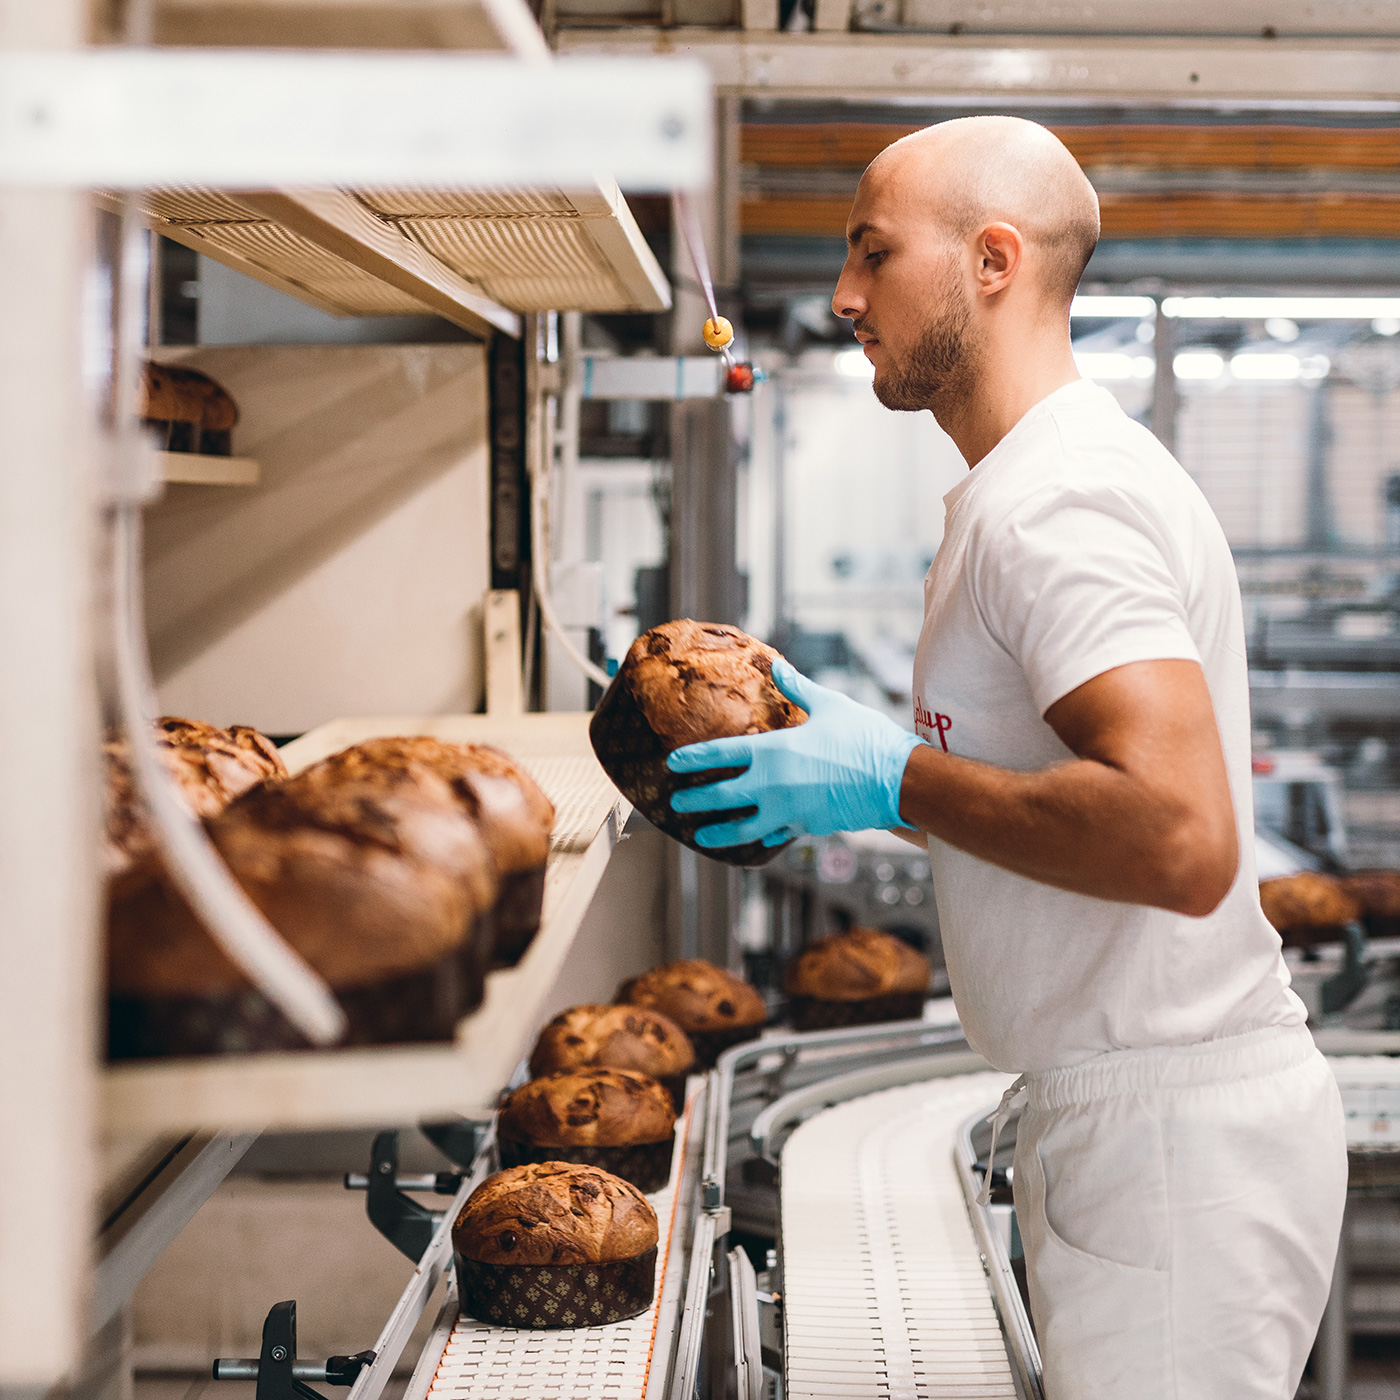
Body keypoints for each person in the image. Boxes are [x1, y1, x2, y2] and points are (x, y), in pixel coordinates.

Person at [666, 116, 1346, 1400]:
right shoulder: (1022, 487)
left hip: (1168, 1136)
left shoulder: (1056, 504)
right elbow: (1058, 800)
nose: (840, 294)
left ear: (991, 259)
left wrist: (893, 777)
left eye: (872, 253)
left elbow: (1181, 840)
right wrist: (846, 779)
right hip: (1129, 1115)